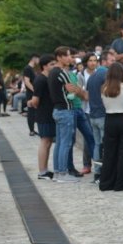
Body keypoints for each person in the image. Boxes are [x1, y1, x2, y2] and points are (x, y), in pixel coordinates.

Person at [99, 62, 123, 191]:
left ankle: (106, 182)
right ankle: (121, 183)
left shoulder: (104, 88)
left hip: (110, 119)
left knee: (109, 152)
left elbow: (105, 105)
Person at [48, 46, 83, 183]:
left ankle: (58, 172)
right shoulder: (61, 73)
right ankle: (63, 173)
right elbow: (72, 90)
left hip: (57, 110)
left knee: (59, 143)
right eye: (67, 56)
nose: (70, 58)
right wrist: (80, 92)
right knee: (66, 143)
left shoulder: (52, 72)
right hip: (65, 110)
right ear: (59, 57)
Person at [86, 50, 115, 183]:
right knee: (106, 145)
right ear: (104, 62)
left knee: (97, 145)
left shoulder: (92, 76)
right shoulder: (105, 74)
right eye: (111, 60)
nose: (113, 63)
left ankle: (97, 173)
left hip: (93, 115)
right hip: (103, 115)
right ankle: (105, 173)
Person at [27, 54, 56, 180]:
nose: (54, 66)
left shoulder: (48, 78)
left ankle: (45, 169)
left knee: (48, 142)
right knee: (45, 141)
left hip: (50, 114)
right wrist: (31, 103)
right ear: (44, 66)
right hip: (44, 115)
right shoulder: (40, 80)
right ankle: (42, 171)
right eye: (52, 64)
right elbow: (35, 100)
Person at [22, 54, 39, 134]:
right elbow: (27, 81)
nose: (39, 61)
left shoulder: (32, 69)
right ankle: (31, 130)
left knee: (34, 111)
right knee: (31, 112)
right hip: (30, 93)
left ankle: (33, 129)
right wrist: (34, 90)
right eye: (38, 59)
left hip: (33, 93)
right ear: (34, 58)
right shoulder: (27, 68)